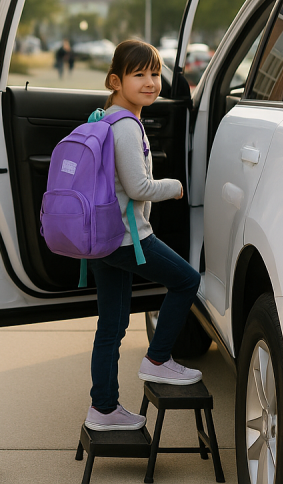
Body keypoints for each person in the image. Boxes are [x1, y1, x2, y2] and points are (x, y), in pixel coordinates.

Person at [84, 39, 203, 431]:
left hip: (102, 236)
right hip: (127, 238)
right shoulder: (126, 127)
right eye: (139, 75)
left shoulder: (102, 117)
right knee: (187, 280)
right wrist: (176, 186)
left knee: (112, 326)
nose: (151, 82)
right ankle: (157, 361)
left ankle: (102, 409)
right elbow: (139, 187)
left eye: (155, 73)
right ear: (115, 80)